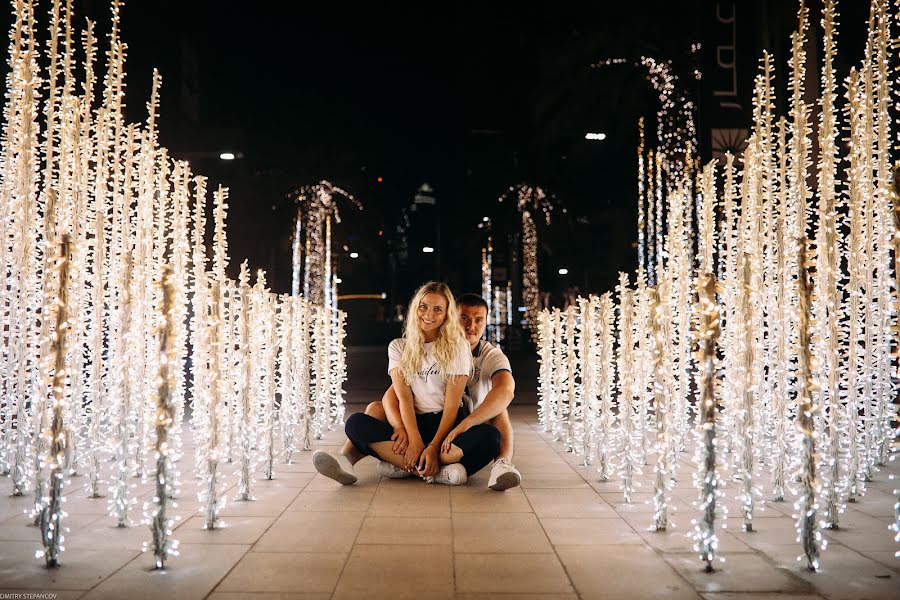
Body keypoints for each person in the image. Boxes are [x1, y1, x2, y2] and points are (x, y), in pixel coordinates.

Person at [313, 282, 501, 486]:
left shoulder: (458, 347)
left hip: (446, 427)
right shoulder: (398, 347)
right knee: (356, 423)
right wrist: (414, 440)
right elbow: (403, 397)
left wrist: (433, 445)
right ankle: (436, 470)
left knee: (490, 437)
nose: (428, 314)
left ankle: (405, 466)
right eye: (424, 307)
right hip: (414, 421)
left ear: (447, 314)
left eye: (437, 309)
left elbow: (452, 405)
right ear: (415, 309)